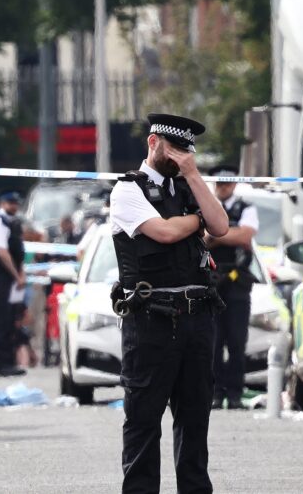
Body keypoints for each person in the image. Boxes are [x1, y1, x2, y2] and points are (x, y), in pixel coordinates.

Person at [109, 113, 229, 494]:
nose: (178, 156)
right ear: (153, 143)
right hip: (151, 322)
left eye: (184, 150)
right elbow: (162, 232)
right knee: (143, 421)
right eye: (172, 148)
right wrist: (196, 221)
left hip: (196, 319)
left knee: (194, 420)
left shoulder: (189, 186)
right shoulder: (128, 190)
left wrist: (194, 176)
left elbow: (221, 226)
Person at [204, 165, 259, 410]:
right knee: (212, 342)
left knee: (237, 342)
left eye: (226, 184)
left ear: (234, 184)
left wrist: (216, 235)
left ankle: (235, 393)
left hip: (237, 283)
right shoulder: (206, 207)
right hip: (212, 281)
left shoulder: (245, 207)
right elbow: (201, 238)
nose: (221, 188)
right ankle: (215, 393)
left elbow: (245, 237)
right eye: (218, 184)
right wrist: (227, 234)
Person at [0, 190, 27, 378]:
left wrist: (21, 274)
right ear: (2, 203)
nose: (14, 206)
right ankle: (0, 363)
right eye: (10, 203)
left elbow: (18, 254)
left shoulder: (13, 222)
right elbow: (1, 252)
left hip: (13, 276)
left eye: (16, 203)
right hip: (3, 277)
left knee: (11, 320)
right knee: (2, 320)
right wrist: (16, 275)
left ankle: (9, 361)